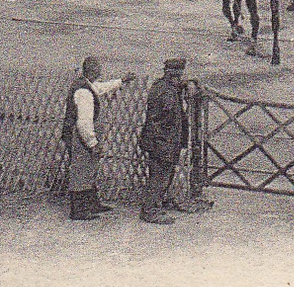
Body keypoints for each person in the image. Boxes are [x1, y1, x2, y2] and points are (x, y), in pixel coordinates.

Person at [137, 58, 211, 224]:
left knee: (163, 174)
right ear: (173, 75)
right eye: (178, 76)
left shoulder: (163, 86)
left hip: (163, 140)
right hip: (162, 140)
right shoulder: (167, 92)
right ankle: (150, 211)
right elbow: (169, 115)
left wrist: (188, 84)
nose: (179, 79)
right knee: (159, 176)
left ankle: (156, 205)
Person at [62, 57, 135, 220]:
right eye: (99, 69)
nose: (101, 71)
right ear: (92, 70)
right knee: (81, 171)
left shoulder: (87, 85)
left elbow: (100, 88)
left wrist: (121, 81)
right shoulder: (84, 92)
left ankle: (91, 204)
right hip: (79, 136)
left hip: (80, 136)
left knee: (89, 170)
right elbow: (83, 123)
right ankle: (78, 210)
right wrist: (92, 143)